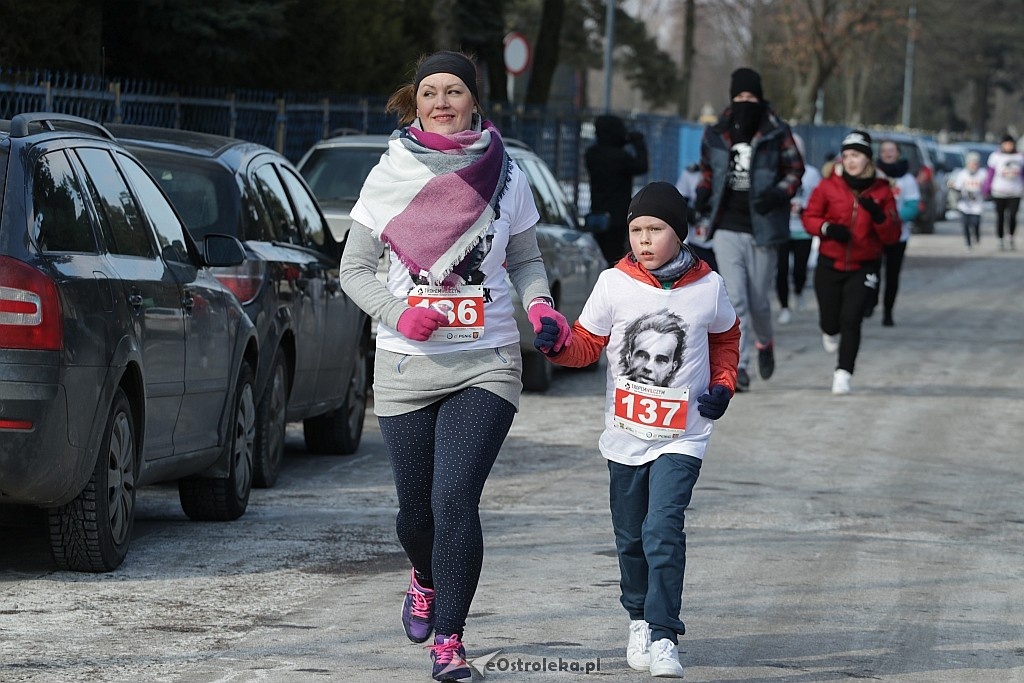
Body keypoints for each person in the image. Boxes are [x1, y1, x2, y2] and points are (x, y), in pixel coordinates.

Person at [337, 50, 572, 683]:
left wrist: (541, 308)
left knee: (455, 499)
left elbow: (524, 259)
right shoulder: (388, 174)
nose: (441, 101)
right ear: (414, 102)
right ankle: (423, 577)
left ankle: (451, 641)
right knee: (416, 514)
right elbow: (353, 270)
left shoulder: (507, 173)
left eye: (454, 91)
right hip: (407, 366)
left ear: (475, 101)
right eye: (429, 92)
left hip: (486, 361)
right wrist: (396, 312)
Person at [535, 182, 740, 678]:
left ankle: (665, 634)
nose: (645, 239)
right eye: (636, 230)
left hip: (683, 435)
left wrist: (723, 384)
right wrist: (557, 344)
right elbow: (586, 343)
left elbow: (727, 337)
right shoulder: (613, 283)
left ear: (680, 232)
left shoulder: (707, 287)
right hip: (625, 437)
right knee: (630, 537)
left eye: (656, 229)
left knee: (662, 530)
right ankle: (638, 620)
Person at [693, 67, 804, 392]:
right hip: (727, 223)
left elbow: (795, 169)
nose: (745, 102)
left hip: (764, 226)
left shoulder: (775, 130)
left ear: (760, 98)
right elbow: (708, 172)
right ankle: (738, 368)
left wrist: (778, 193)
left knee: (758, 300)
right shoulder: (717, 132)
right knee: (735, 298)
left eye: (750, 97)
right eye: (739, 97)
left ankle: (765, 342)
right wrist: (702, 194)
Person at [802, 130, 901, 394]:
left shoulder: (882, 190)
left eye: (856, 155)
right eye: (846, 155)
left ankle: (843, 372)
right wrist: (827, 229)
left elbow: (893, 235)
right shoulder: (827, 186)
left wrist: (879, 216)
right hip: (830, 263)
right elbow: (809, 217)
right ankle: (829, 332)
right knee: (830, 322)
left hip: (864, 265)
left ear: (868, 158)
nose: (850, 160)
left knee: (852, 318)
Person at [586, 114, 649, 264]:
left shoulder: (592, 154)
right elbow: (641, 166)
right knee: (617, 259)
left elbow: (610, 145)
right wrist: (638, 143)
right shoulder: (620, 157)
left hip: (598, 215)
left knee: (602, 257)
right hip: (618, 218)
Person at [874, 139, 921, 326]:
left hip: (898, 235)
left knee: (892, 275)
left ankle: (888, 311)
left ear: (898, 154)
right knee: (872, 271)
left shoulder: (907, 179)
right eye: (884, 150)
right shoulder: (874, 176)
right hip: (875, 234)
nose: (887, 154)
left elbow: (913, 207)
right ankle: (870, 301)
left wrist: (892, 218)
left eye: (891, 150)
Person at [775, 133, 821, 324]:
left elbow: (818, 200)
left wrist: (804, 208)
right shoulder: (777, 172)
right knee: (782, 270)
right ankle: (784, 306)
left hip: (803, 228)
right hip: (782, 228)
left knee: (800, 269)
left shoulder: (812, 173)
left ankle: (799, 292)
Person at [983, 133, 1023, 251]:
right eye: (1006, 144)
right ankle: (1000, 238)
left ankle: (1010, 237)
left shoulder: (1020, 157)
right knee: (1000, 217)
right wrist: (987, 189)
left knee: (1013, 216)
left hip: (1015, 191)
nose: (1008, 146)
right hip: (999, 191)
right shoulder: (996, 156)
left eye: (1010, 143)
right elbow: (990, 174)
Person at [675, 161, 717, 270]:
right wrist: (695, 214)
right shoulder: (692, 173)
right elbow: (678, 204)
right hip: (698, 239)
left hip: (723, 236)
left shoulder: (732, 173)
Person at [951, 151, 986, 249]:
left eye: (975, 163)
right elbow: (957, 187)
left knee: (975, 223)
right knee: (965, 224)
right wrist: (952, 187)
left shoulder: (982, 174)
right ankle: (968, 243)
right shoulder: (962, 174)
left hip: (977, 205)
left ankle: (976, 235)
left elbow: (986, 187)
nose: (973, 165)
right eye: (971, 163)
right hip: (964, 204)